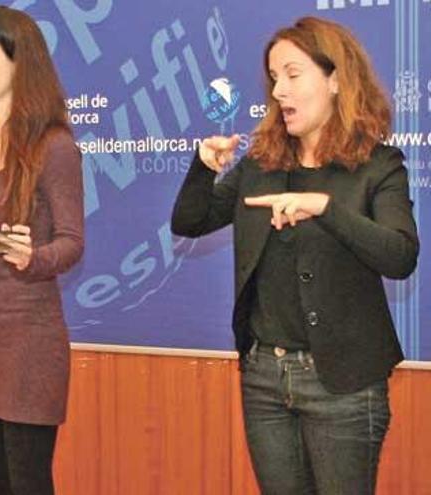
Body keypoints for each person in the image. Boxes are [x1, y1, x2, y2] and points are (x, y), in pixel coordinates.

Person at [171, 17, 418, 495]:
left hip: (343, 385)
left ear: (335, 79)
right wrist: (203, 168)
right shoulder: (262, 164)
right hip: (264, 377)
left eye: (292, 74)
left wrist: (324, 208)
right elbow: (190, 222)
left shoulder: (379, 166)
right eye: (273, 78)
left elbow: (400, 254)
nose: (279, 90)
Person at [0, 6, 84, 495]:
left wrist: (35, 257)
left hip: (28, 341)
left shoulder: (54, 146)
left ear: (18, 62)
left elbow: (71, 242)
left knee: (27, 484)